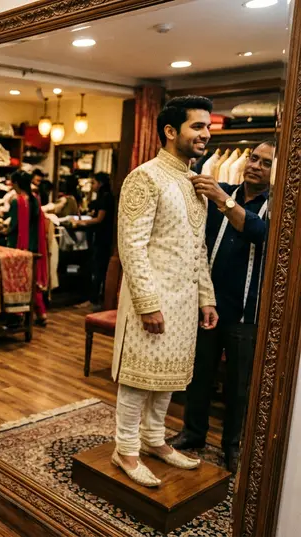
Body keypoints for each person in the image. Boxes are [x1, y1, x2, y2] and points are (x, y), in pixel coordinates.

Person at [111, 96, 219, 487]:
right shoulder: (146, 177)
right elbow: (132, 245)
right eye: (197, 126)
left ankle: (154, 439)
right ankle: (125, 448)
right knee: (139, 378)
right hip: (152, 302)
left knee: (170, 378)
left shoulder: (196, 182)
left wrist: (206, 297)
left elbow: (198, 247)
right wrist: (147, 303)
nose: (205, 134)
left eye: (208, 127)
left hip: (185, 303)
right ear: (171, 131)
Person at [170, 141, 274, 472]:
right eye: (253, 158)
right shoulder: (222, 190)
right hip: (207, 307)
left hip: (246, 312)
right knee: (198, 376)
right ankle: (193, 434)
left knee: (237, 385)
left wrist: (222, 200)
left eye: (266, 162)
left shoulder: (275, 206)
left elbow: (259, 232)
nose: (255, 165)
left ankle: (232, 446)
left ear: (276, 172)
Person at [6, 169, 48, 325]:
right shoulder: (35, 199)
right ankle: (41, 314)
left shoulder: (17, 201)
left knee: (18, 280)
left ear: (16, 183)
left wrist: (4, 230)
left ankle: (18, 315)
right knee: (32, 280)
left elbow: (14, 225)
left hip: (19, 245)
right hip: (34, 245)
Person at [69, 172, 115, 308]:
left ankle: (93, 299)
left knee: (97, 269)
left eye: (94, 183)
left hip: (102, 238)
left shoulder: (105, 198)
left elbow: (99, 219)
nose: (92, 185)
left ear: (100, 183)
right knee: (98, 268)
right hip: (103, 237)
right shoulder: (104, 196)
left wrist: (81, 223)